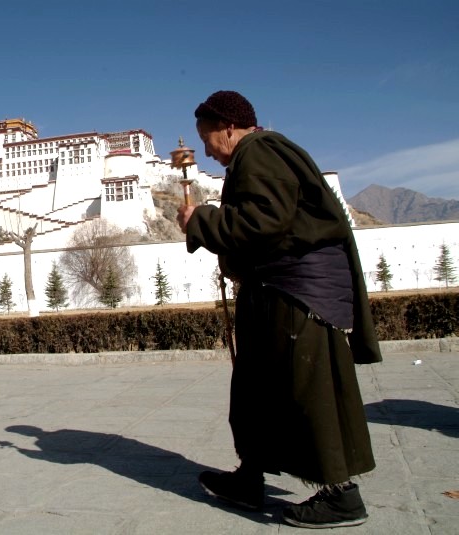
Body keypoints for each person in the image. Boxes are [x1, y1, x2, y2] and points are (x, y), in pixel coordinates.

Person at [176, 90, 382, 529]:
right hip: (274, 292)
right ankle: (250, 478)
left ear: (228, 126)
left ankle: (341, 495)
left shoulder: (261, 151)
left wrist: (200, 220)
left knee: (307, 392)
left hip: (298, 297)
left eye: (207, 137)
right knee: (256, 390)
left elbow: (263, 221)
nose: (208, 150)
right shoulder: (253, 156)